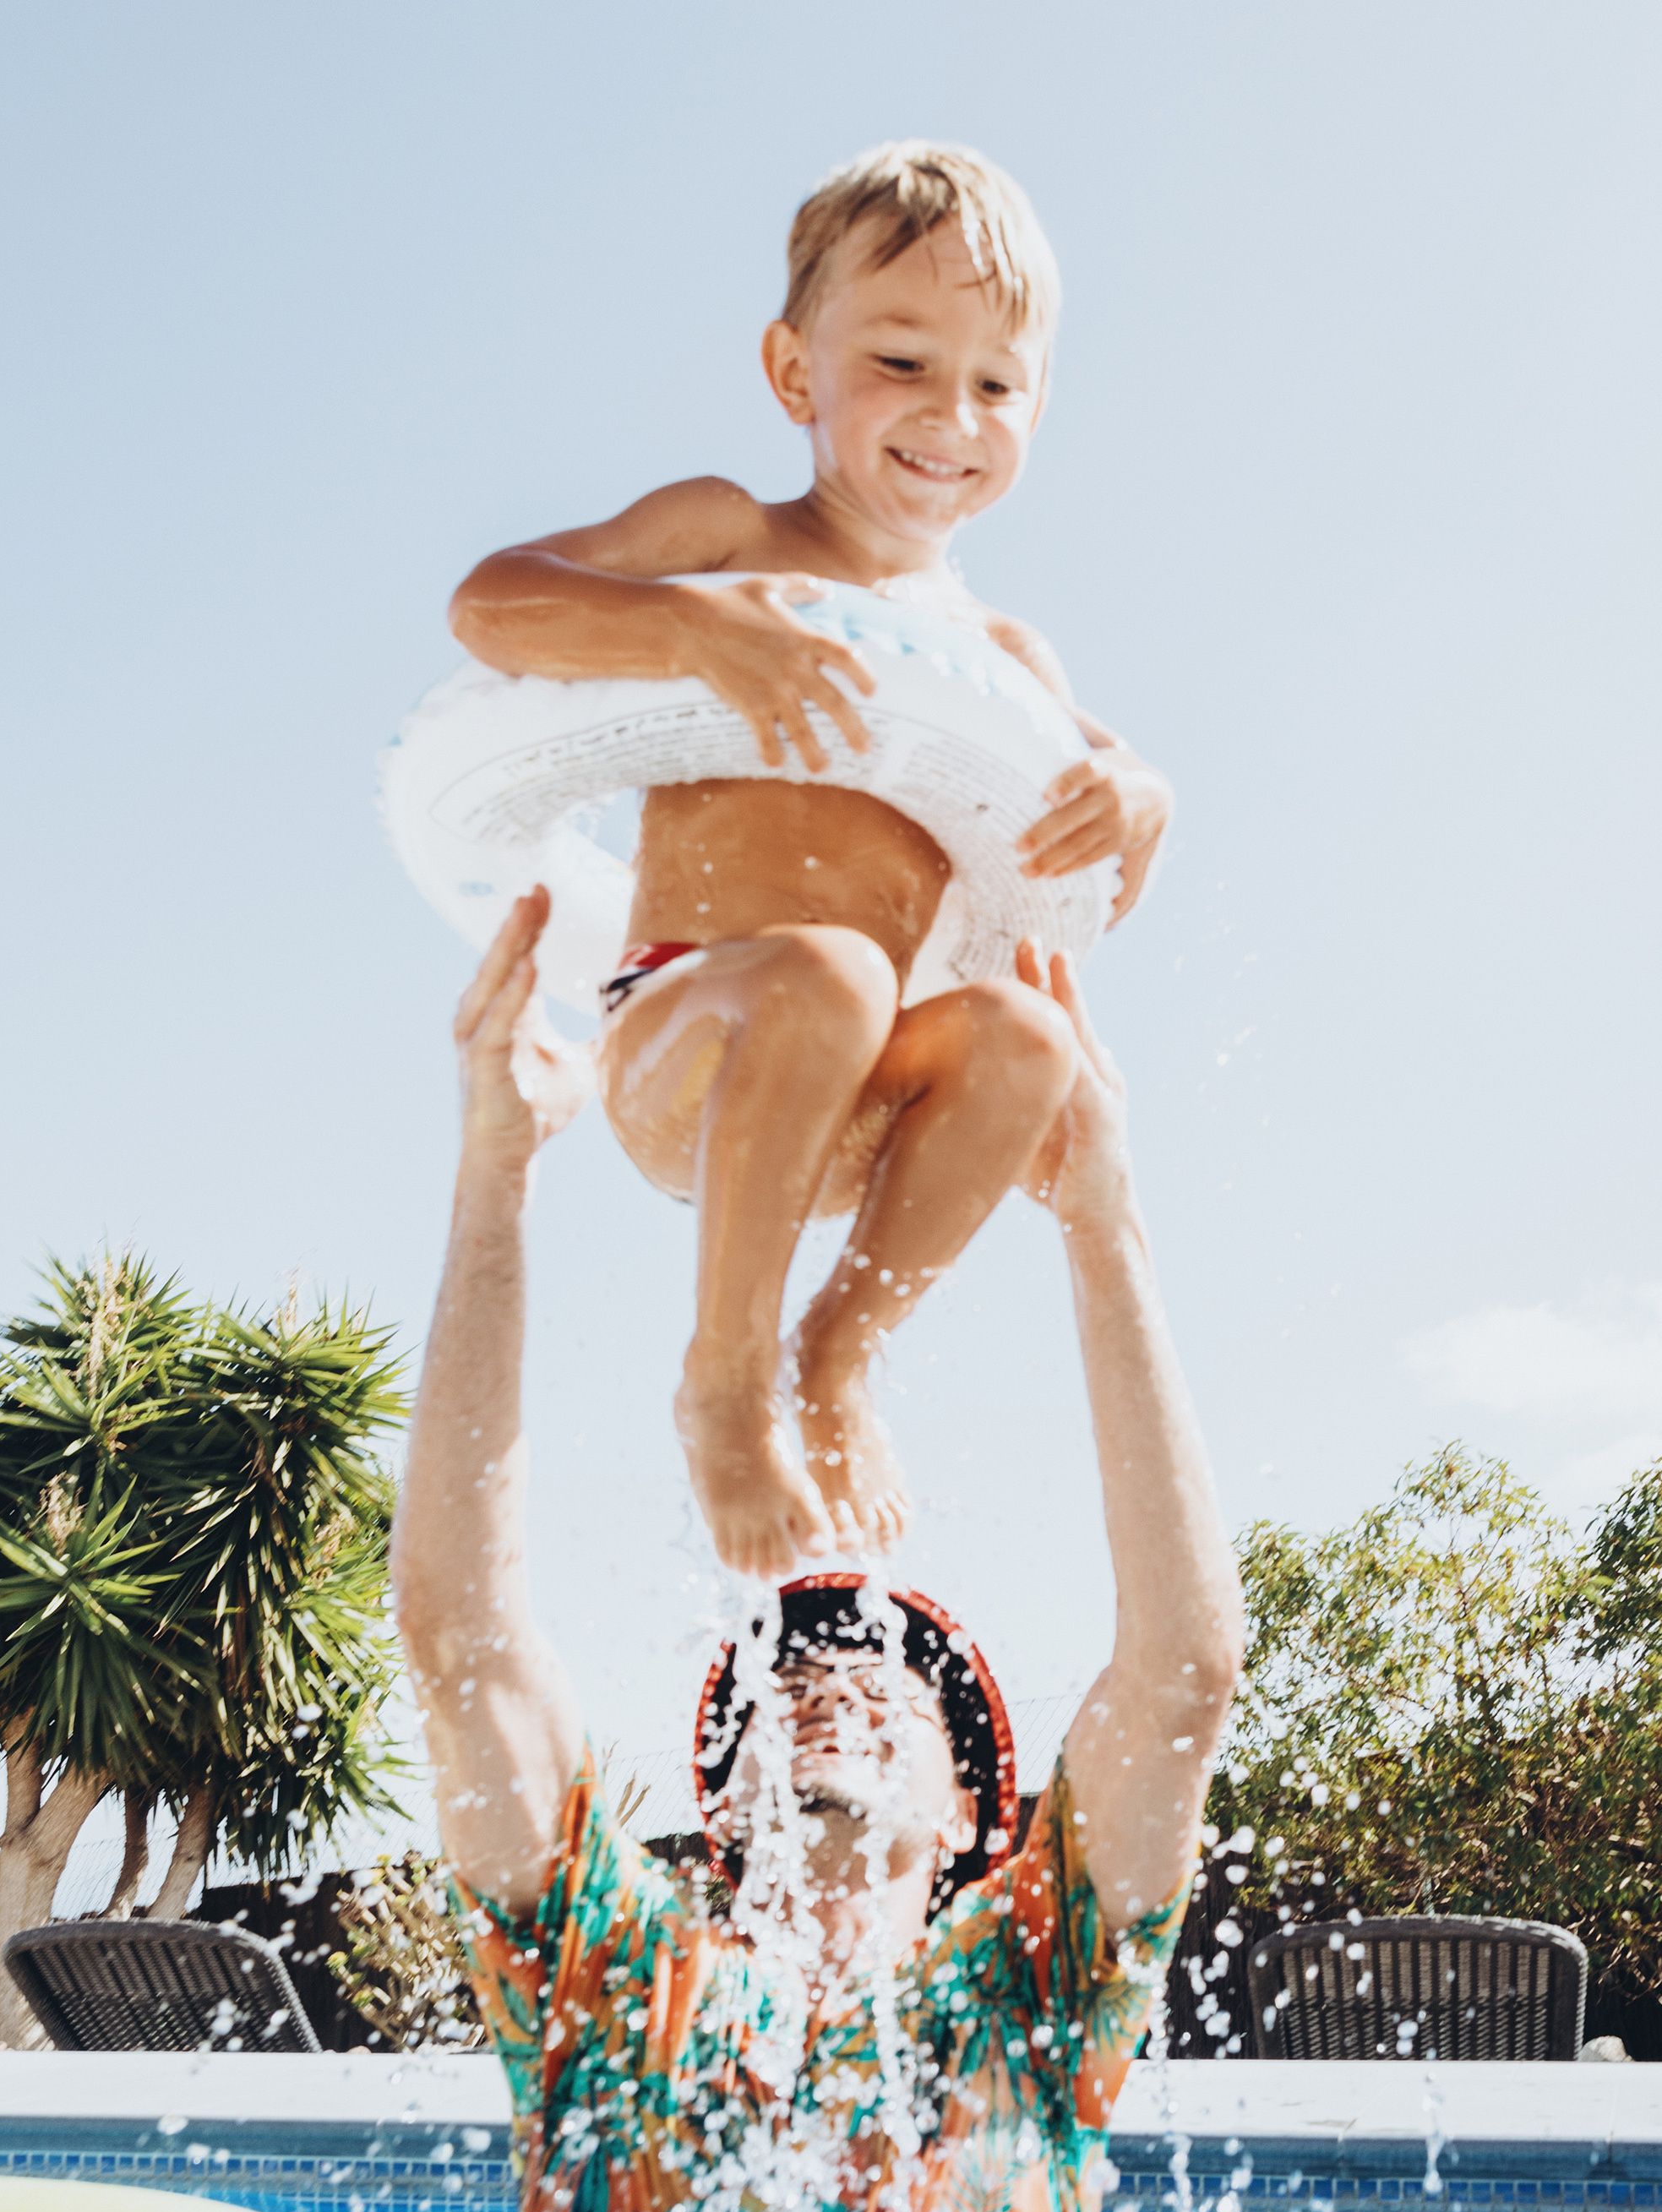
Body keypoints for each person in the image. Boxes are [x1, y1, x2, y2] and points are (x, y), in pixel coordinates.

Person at [392, 887, 1240, 2212]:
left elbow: (1181, 1677)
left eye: (901, 1678)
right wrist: (497, 1174)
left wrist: (1103, 1225)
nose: (839, 1673)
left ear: (977, 1808)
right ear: (720, 1803)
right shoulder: (613, 1988)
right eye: (786, 1670)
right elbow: (463, 1645)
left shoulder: (1030, 2004)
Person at [447, 140, 1173, 1581]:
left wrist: (1143, 797)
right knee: (834, 969)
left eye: (996, 385)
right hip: (693, 1045)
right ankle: (722, 1381)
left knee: (1028, 1036)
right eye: (901, 363)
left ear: (1037, 407)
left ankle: (836, 1355)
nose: (950, 415)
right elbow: (493, 604)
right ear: (795, 372)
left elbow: (1091, 867)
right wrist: (692, 624)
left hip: (865, 1108)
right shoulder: (730, 540)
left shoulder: (1005, 657)